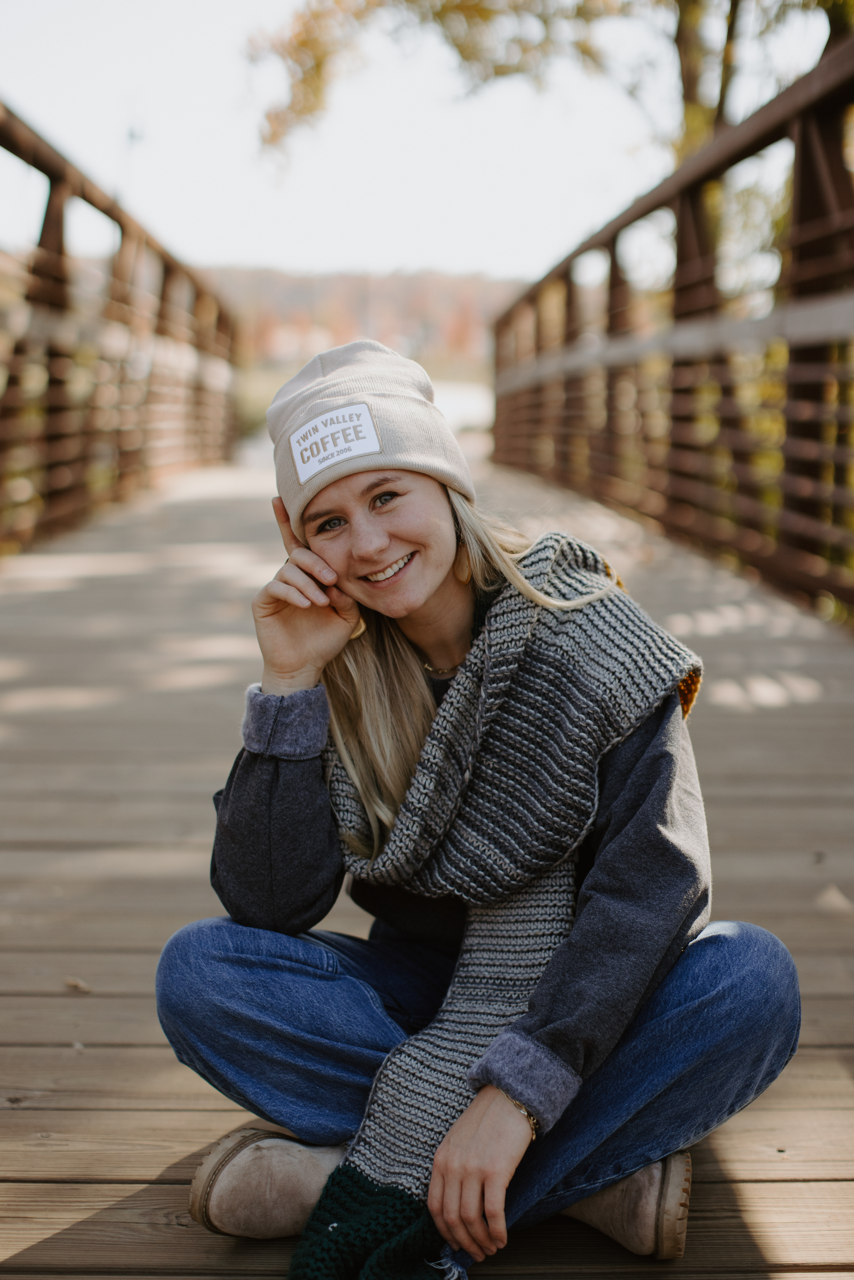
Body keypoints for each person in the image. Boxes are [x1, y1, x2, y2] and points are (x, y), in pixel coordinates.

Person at [156, 340, 800, 1280]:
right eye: (327, 521)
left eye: (387, 497)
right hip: (422, 996)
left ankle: (363, 1178)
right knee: (199, 975)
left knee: (751, 983)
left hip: (593, 996)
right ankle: (587, 1181)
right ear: (296, 539)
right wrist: (289, 683)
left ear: (445, 485)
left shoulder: (592, 639)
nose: (368, 544)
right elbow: (267, 905)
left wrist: (521, 1091)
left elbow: (656, 892)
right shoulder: (339, 663)